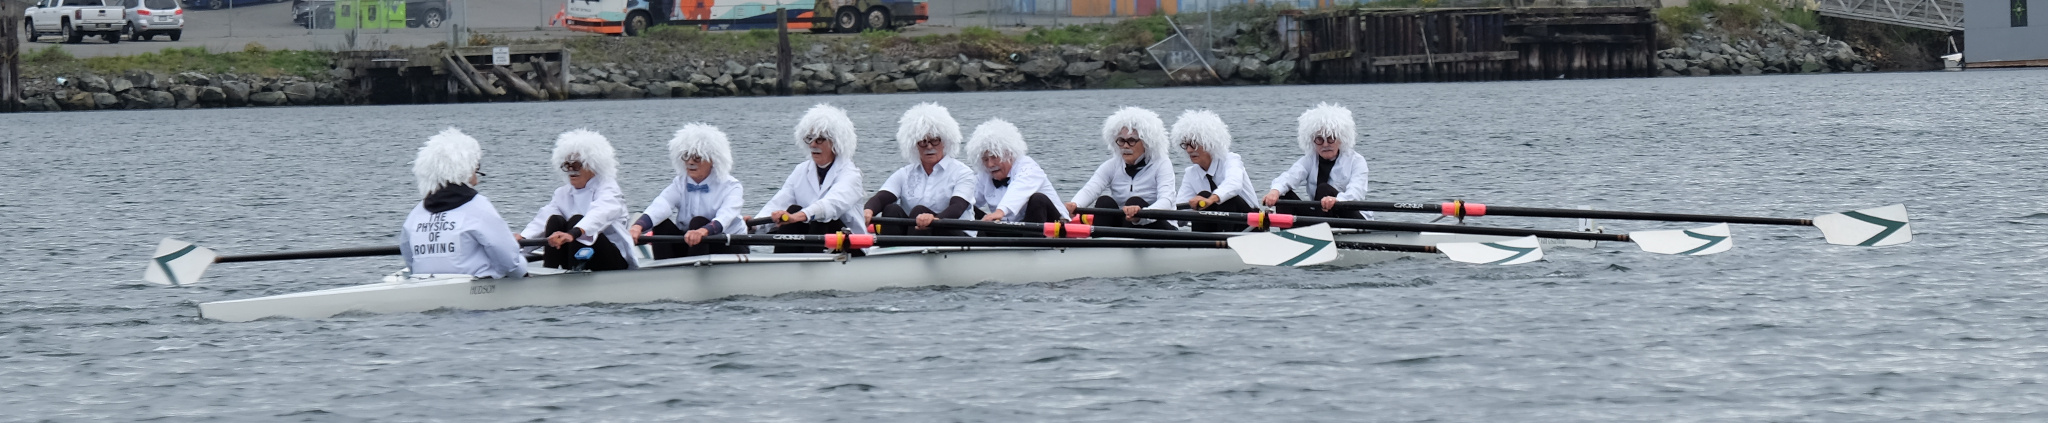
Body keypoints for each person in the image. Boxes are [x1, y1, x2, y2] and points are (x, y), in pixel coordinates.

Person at [400, 128, 528, 279]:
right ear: (465, 169)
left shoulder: (417, 213)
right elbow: (510, 261)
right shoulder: (479, 206)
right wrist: (523, 271)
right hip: (474, 290)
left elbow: (408, 257)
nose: (477, 178)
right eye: (476, 168)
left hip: (423, 285)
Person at [516, 129, 636, 271]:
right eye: (567, 165)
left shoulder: (609, 189)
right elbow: (543, 219)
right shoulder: (563, 193)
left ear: (592, 165)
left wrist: (573, 233)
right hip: (576, 254)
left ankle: (570, 280)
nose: (571, 170)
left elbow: (599, 214)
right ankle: (548, 271)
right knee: (555, 221)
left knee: (576, 220)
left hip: (613, 260)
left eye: (577, 165)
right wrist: (522, 238)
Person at [756, 103, 866, 253]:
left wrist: (797, 217)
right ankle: (784, 264)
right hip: (814, 238)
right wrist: (753, 225)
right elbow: (778, 202)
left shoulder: (850, 174)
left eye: (820, 139)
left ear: (835, 142)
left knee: (819, 217)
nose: (813, 144)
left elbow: (830, 205)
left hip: (850, 244)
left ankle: (809, 266)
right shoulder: (801, 170)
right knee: (793, 210)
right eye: (809, 138)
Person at [633, 123, 748, 259]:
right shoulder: (680, 182)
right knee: (661, 224)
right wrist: (637, 226)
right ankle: (665, 272)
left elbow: (726, 216)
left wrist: (704, 230)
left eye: (697, 158)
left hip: (727, 244)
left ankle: (695, 272)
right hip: (691, 242)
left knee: (698, 222)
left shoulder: (731, 186)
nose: (690, 162)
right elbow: (661, 204)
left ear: (712, 160)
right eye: (686, 156)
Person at [863, 103, 975, 236]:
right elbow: (881, 198)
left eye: (935, 140)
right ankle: (890, 252)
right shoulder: (904, 173)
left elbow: (957, 207)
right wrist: (868, 211)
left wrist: (934, 219)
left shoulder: (963, 173)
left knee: (919, 212)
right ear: (914, 145)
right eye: (922, 142)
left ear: (945, 141)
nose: (929, 147)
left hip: (956, 233)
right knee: (891, 210)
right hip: (918, 230)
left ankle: (910, 252)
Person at [1065, 107, 1178, 230]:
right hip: (1126, 223)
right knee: (1104, 202)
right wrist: (1075, 204)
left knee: (1134, 202)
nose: (1125, 146)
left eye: (1131, 141)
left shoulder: (1162, 164)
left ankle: (1125, 236)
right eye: (1121, 140)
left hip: (1159, 225)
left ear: (1147, 142)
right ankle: (1102, 244)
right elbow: (1090, 189)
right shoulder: (1112, 165)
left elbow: (1166, 200)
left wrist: (1141, 214)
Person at [1262, 103, 1373, 220]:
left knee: (1324, 189)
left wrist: (1337, 200)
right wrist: (1275, 191)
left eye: (1331, 138)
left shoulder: (1357, 161)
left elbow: (1356, 192)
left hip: (1352, 215)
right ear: (1313, 141)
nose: (1325, 144)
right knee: (1283, 195)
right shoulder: (1310, 159)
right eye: (1319, 139)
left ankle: (1317, 232)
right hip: (1321, 215)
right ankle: (1288, 234)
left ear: (1341, 139)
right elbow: (1290, 176)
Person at [964, 118, 1066, 226]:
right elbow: (970, 197)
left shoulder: (1028, 166)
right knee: (965, 206)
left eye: (994, 157)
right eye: (985, 160)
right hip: (1014, 229)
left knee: (1038, 199)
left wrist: (1000, 211)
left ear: (1009, 153)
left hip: (1055, 227)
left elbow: (1020, 188)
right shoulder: (984, 175)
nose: (990, 165)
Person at [1170, 110, 1258, 232]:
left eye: (1194, 144)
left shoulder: (1231, 160)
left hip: (1249, 223)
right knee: (1199, 200)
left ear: (1209, 143)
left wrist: (1210, 199)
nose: (1189, 150)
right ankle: (1201, 244)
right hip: (1218, 225)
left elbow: (1234, 184)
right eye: (1186, 145)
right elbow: (1181, 209)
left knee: (1209, 196)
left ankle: (1218, 243)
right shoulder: (1191, 173)